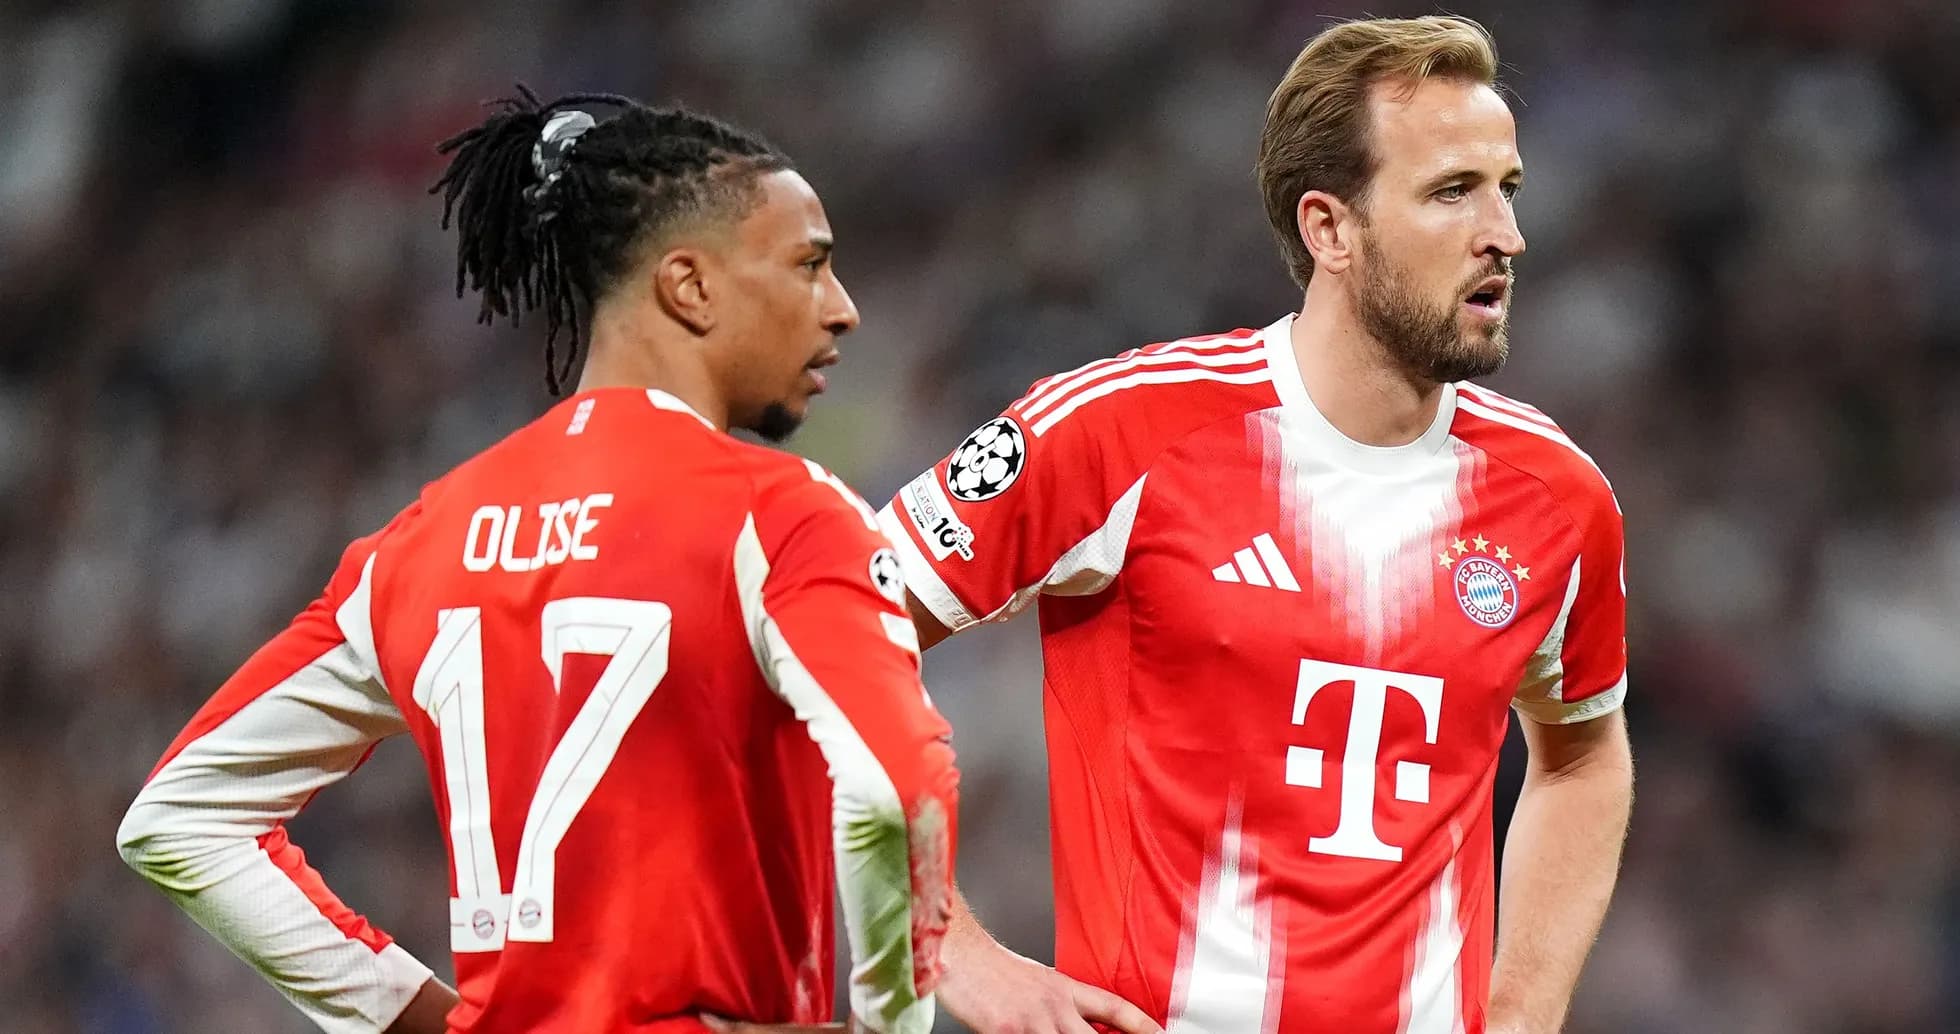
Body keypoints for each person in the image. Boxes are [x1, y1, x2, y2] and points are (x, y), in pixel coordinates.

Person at [117, 88, 959, 1034]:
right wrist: (890, 1019)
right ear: (690, 287)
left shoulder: (416, 544)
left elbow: (178, 820)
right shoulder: (783, 515)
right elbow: (897, 791)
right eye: (810, 266)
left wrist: (411, 1015)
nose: (843, 310)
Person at [876, 16, 1632, 1034]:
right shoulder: (1122, 429)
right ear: (1329, 228)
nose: (1505, 232)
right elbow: (827, 624)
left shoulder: (1554, 495)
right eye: (1453, 191)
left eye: (1508, 188)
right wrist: (946, 943)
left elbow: (1584, 754)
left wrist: (1523, 1009)